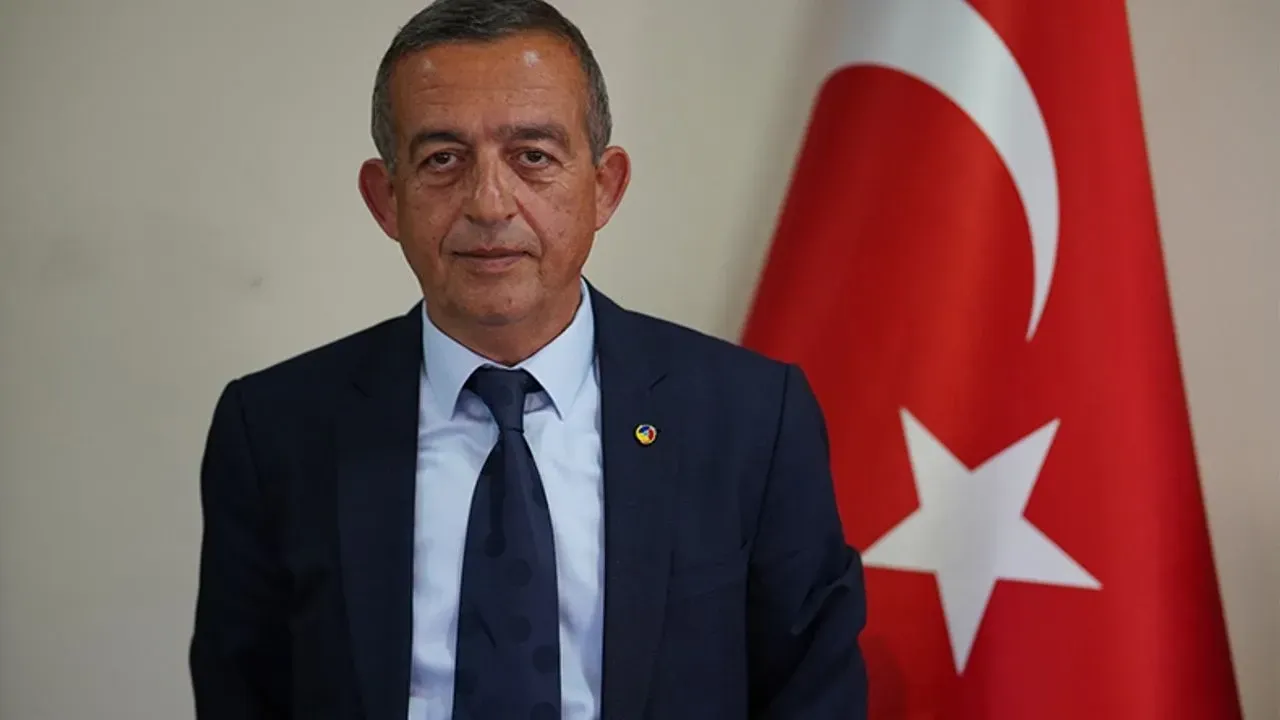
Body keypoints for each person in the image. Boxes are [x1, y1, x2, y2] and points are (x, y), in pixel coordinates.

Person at [188, 0, 869, 717]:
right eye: (443, 159)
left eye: (532, 157)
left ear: (604, 187)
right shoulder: (273, 430)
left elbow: (813, 695)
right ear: (386, 200)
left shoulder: (752, 420)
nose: (489, 204)